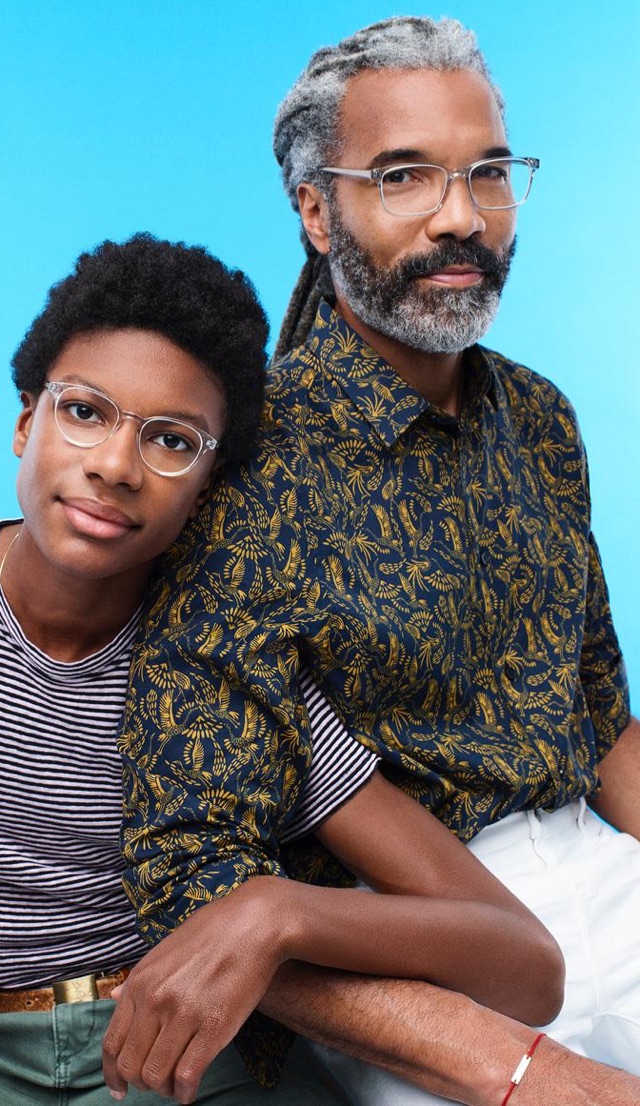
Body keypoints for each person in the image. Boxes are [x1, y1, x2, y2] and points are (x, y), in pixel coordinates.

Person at [0, 232, 570, 1106]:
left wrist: (276, 911)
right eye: (84, 412)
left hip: (189, 1050)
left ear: (210, 481)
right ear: (25, 421)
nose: (114, 466)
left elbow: (523, 963)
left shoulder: (228, 664)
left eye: (173, 441)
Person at [107, 16, 640, 1106]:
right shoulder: (236, 465)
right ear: (314, 209)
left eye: (487, 173)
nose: (460, 217)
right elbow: (189, 867)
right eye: (402, 177)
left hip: (603, 875)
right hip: (411, 957)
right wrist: (515, 1069)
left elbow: (603, 725)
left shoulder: (539, 418)